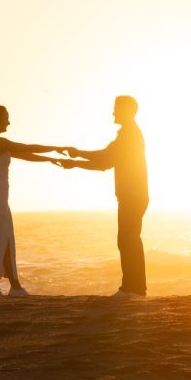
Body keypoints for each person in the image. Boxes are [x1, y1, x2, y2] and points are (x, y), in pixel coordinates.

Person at [0, 102, 66, 297]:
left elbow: (26, 155)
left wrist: (51, 159)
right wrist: (56, 148)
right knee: (1, 238)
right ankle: (9, 287)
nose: (9, 121)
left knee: (1, 238)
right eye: (6, 117)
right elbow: (26, 147)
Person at [58, 95, 149, 297]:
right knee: (128, 239)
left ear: (126, 110)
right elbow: (105, 159)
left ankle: (132, 289)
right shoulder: (128, 134)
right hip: (133, 194)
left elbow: (105, 161)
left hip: (132, 194)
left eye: (116, 108)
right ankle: (135, 288)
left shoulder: (129, 135)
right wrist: (77, 156)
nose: (113, 112)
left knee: (128, 240)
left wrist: (76, 159)